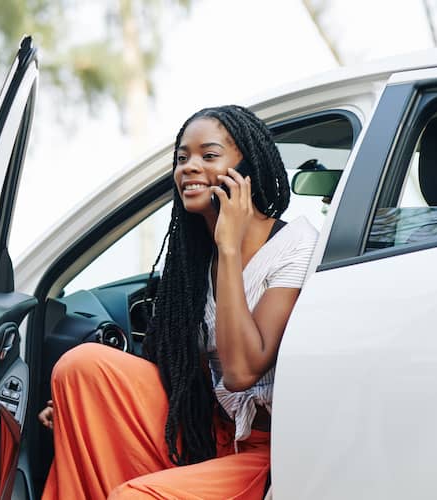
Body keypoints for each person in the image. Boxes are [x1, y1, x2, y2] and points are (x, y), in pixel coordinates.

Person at [39, 105, 319, 500]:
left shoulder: (297, 246)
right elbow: (182, 368)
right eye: (182, 157)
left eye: (209, 155)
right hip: (212, 429)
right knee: (79, 368)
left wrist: (229, 249)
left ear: (248, 167)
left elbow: (241, 371)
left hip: (272, 449)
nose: (189, 167)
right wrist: (80, 403)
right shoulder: (195, 263)